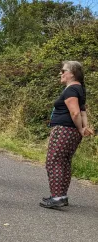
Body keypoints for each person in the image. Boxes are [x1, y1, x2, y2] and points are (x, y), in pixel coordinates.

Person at [40, 61, 94, 209]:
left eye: (64, 70)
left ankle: (57, 197)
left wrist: (81, 128)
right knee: (64, 162)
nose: (61, 73)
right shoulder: (79, 89)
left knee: (54, 161)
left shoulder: (71, 90)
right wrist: (83, 128)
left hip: (64, 130)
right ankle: (61, 195)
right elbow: (82, 111)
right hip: (72, 131)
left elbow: (75, 112)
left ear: (72, 73)